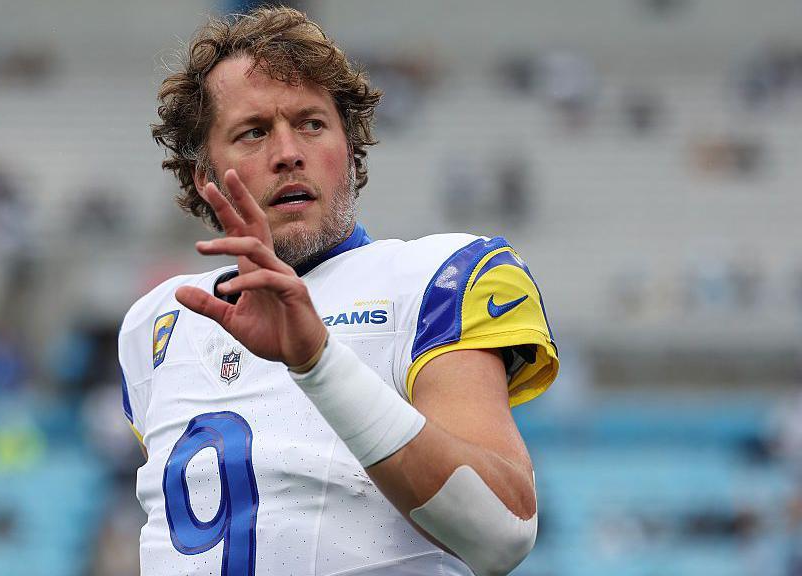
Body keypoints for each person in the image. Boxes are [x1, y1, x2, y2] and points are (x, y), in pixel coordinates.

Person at [118, 7, 559, 576]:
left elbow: (503, 532)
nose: (287, 153)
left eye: (311, 124)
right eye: (253, 133)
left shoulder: (436, 278)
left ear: (350, 150)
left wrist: (318, 363)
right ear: (204, 176)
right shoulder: (158, 322)